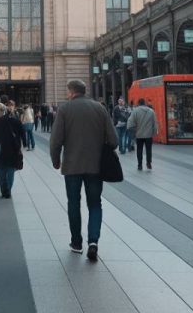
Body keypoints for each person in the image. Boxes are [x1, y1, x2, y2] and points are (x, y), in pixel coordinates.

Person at [51, 80, 117, 262]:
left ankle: (76, 242)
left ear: (71, 92)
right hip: (96, 166)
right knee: (95, 204)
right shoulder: (100, 108)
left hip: (72, 166)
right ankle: (93, 242)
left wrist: (56, 160)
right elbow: (114, 140)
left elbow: (56, 140)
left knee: (73, 203)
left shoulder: (64, 109)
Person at [0, 99, 23, 198]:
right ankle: (8, 190)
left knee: (1, 171)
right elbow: (22, 134)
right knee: (10, 171)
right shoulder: (17, 121)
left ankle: (3, 190)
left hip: (0, 149)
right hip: (13, 149)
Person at [127, 98, 158, 170]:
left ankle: (140, 165)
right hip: (148, 134)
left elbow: (130, 122)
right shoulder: (151, 111)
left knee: (139, 150)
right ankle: (149, 163)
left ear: (138, 103)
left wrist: (132, 130)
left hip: (139, 134)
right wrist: (154, 132)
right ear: (145, 103)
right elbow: (155, 123)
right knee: (148, 149)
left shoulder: (135, 111)